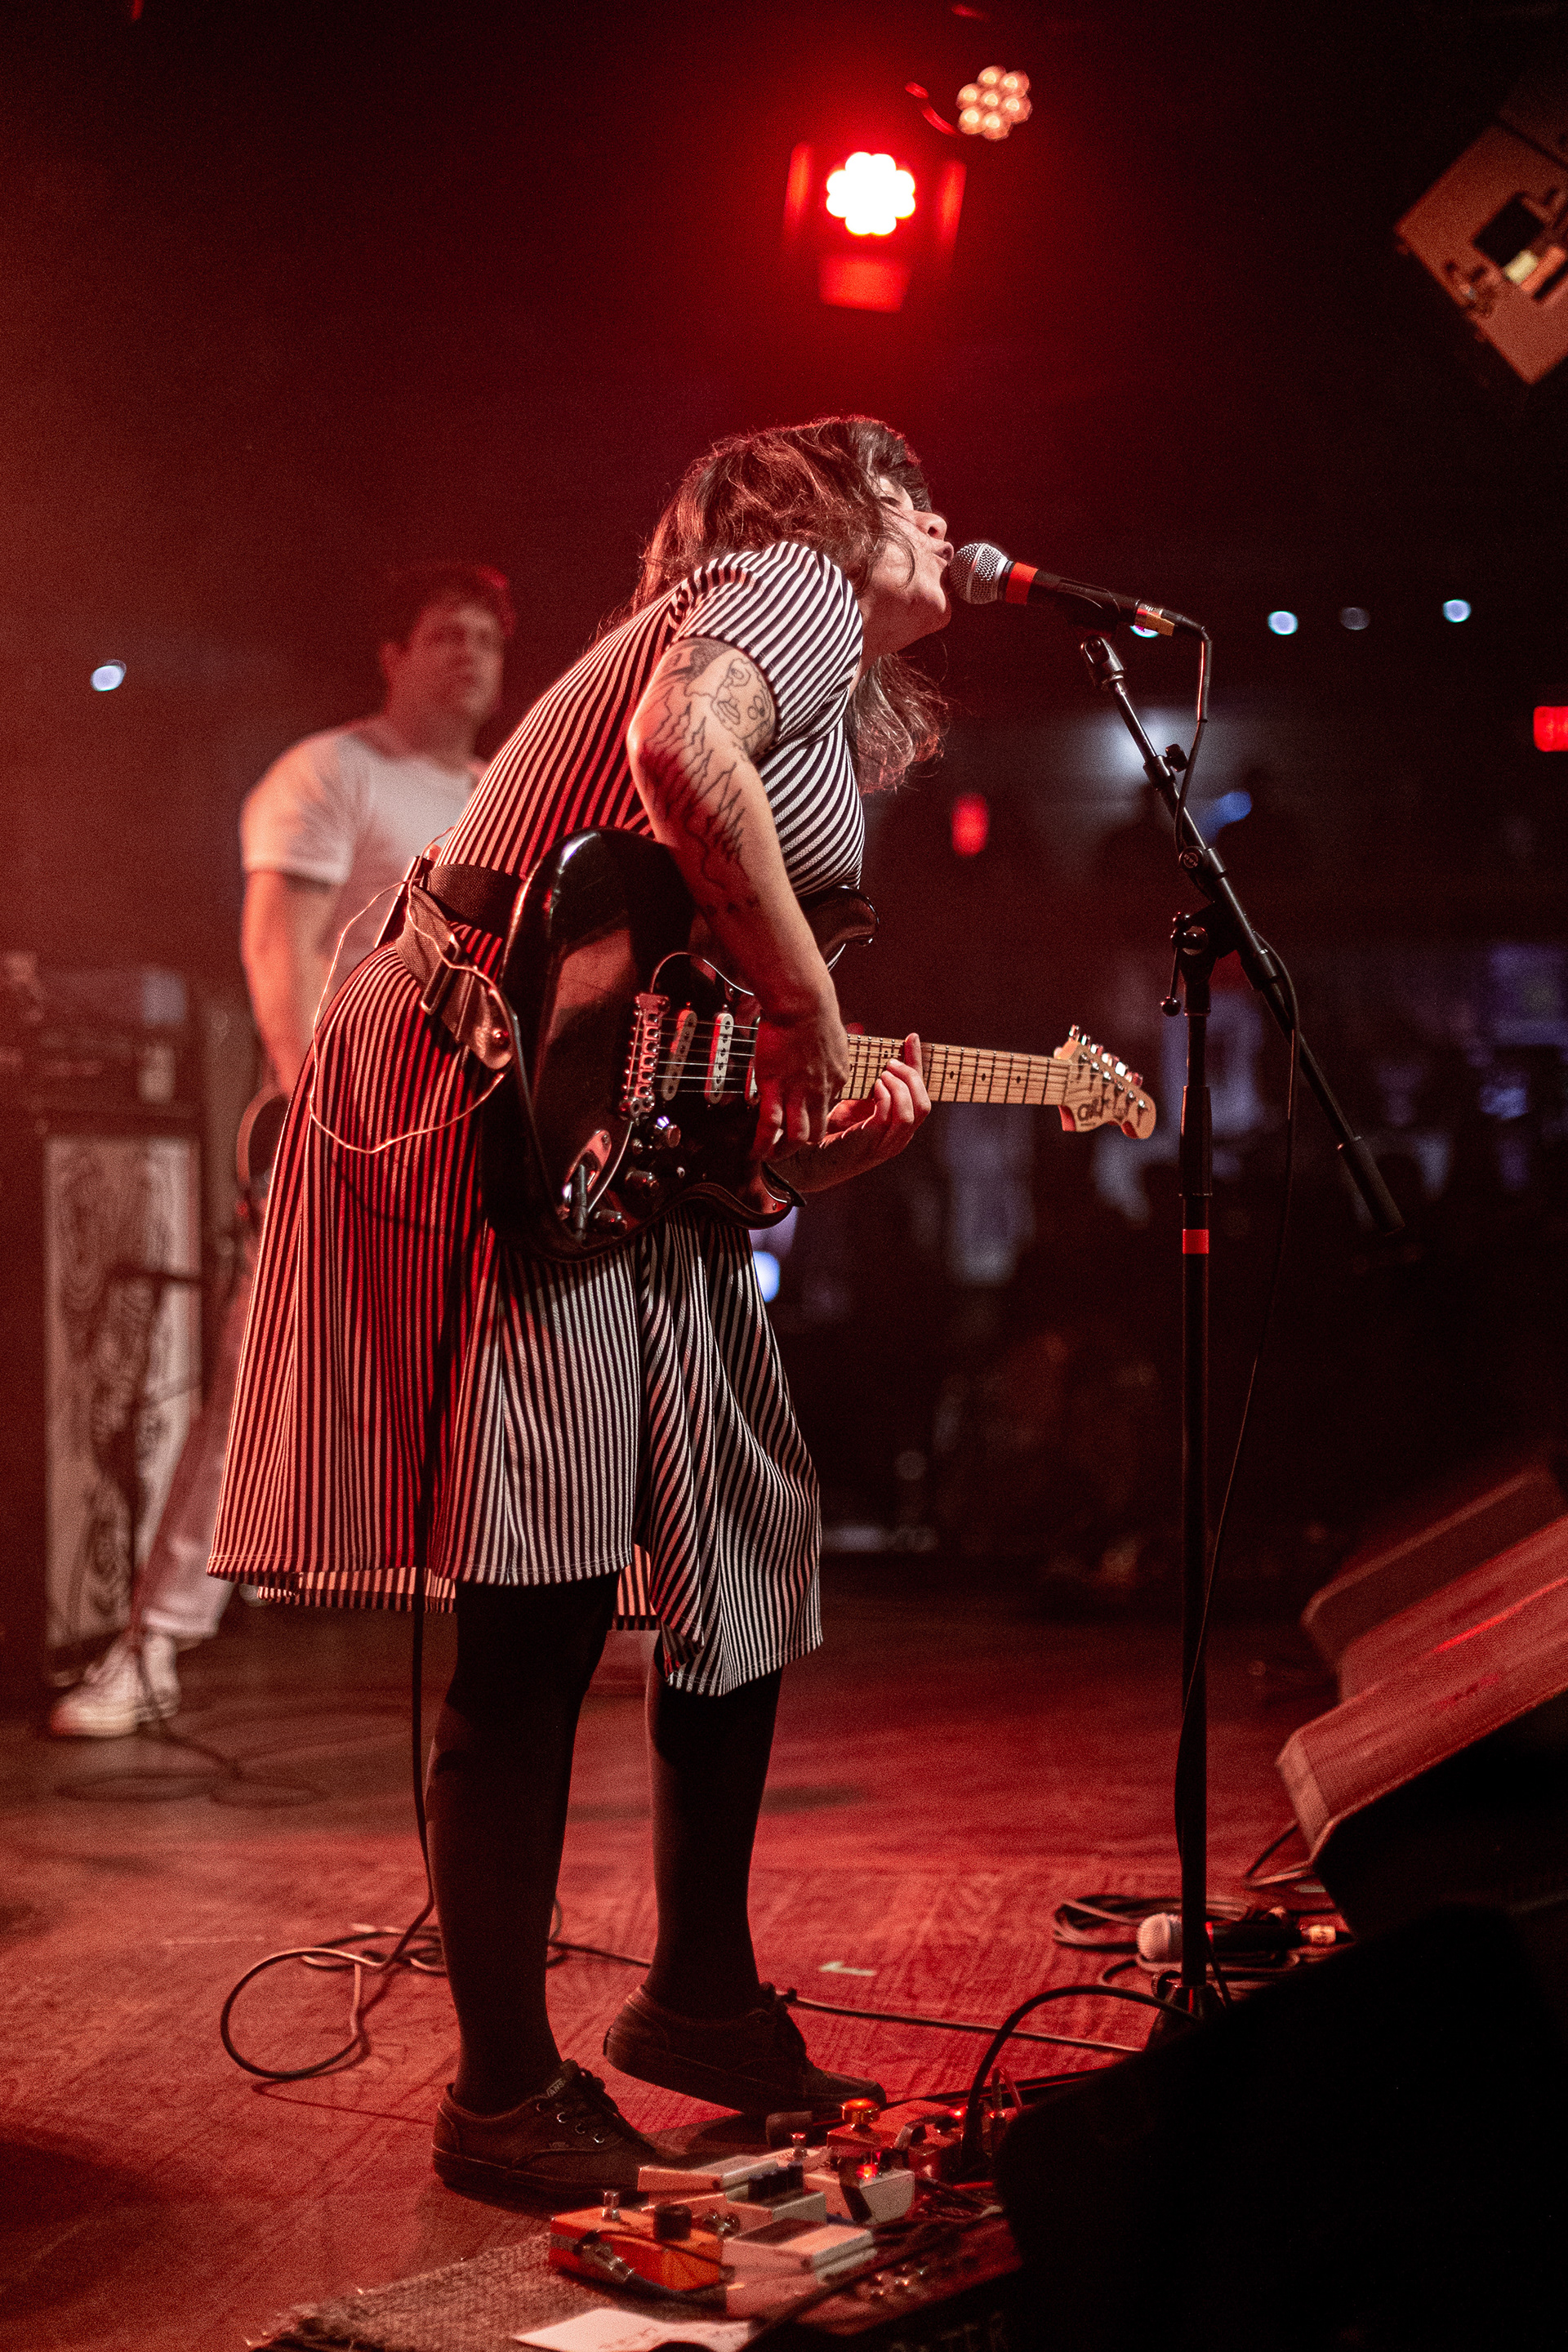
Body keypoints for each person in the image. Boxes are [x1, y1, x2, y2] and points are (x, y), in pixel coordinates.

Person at [208, 416, 948, 2201]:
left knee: (741, 1542)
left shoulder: (819, 675)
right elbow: (677, 746)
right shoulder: (786, 583)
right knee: (534, 1592)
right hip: (495, 1108)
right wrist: (813, 1014)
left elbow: (689, 1026)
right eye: (912, 493)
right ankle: (501, 2091)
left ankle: (699, 2001)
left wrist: (818, 1128)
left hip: (610, 1140)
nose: (943, 521)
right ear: (829, 517)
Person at [50, 562, 512, 1738]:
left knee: (507, 1386)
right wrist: (320, 1119)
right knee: (262, 1382)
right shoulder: (328, 772)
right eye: (446, 634)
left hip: (470, 1145)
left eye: (487, 638)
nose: (471, 654)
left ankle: (553, 1630)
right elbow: (282, 953)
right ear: (392, 655)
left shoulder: (501, 795)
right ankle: (152, 1648)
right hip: (342, 1133)